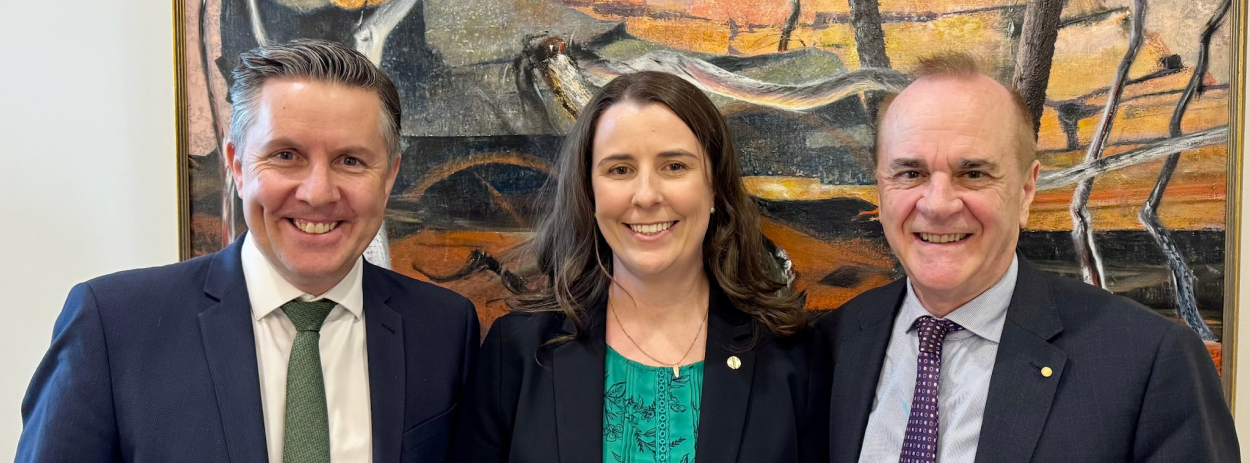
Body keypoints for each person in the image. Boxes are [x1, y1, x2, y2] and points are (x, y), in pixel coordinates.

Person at [17, 39, 479, 462]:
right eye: (286, 156)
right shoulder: (114, 324)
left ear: (389, 176)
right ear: (237, 165)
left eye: (350, 160)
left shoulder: (444, 328)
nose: (318, 192)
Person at [820, 52, 1238, 462]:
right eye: (910, 173)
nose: (938, 205)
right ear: (880, 190)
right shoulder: (831, 344)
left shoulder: (1150, 360)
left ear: (1025, 191)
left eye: (973, 174)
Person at [453, 70, 830, 462]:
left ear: (715, 186)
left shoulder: (793, 356)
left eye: (674, 166)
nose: (646, 196)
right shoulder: (516, 352)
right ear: (589, 191)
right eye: (620, 169)